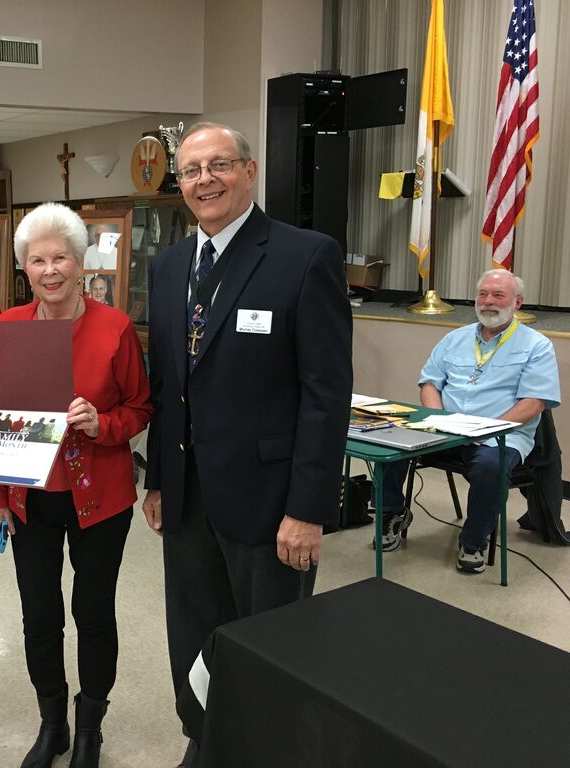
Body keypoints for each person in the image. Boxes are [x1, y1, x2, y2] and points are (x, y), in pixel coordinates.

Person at [142, 122, 352, 767]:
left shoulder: (304, 255)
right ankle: (206, 739)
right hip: (187, 496)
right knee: (195, 632)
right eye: (191, 171)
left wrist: (309, 507)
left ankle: (267, 751)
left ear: (250, 171)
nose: (204, 179)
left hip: (271, 502)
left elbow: (326, 394)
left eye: (219, 165)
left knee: (272, 642)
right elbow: (169, 381)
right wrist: (155, 478)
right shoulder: (169, 264)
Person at [0, 202, 151, 768]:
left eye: (61, 258)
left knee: (93, 612)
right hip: (31, 498)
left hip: (101, 496)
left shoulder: (114, 328)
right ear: (24, 267)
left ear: (80, 263)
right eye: (38, 260)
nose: (51, 270)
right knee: (39, 615)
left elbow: (141, 408)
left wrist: (103, 423)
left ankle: (90, 726)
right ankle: (53, 724)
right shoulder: (8, 330)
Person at [375, 269, 560, 572]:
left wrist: (488, 428)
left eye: (498, 295)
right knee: (393, 441)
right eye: (483, 294)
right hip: (446, 430)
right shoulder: (455, 338)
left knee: (491, 465)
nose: (488, 302)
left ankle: (473, 541)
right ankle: (392, 514)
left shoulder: (536, 345)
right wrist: (437, 418)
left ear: (517, 302)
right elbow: (430, 384)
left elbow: (535, 402)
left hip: (501, 435)